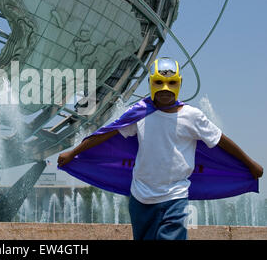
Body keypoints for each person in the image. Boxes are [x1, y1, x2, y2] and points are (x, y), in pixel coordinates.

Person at [58, 57, 263, 240]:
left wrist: (250, 163)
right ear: (151, 84)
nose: (165, 88)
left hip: (176, 196)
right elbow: (106, 133)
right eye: (159, 82)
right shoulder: (138, 113)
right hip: (140, 198)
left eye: (171, 83)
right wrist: (73, 152)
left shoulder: (192, 116)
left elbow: (220, 140)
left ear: (179, 84)